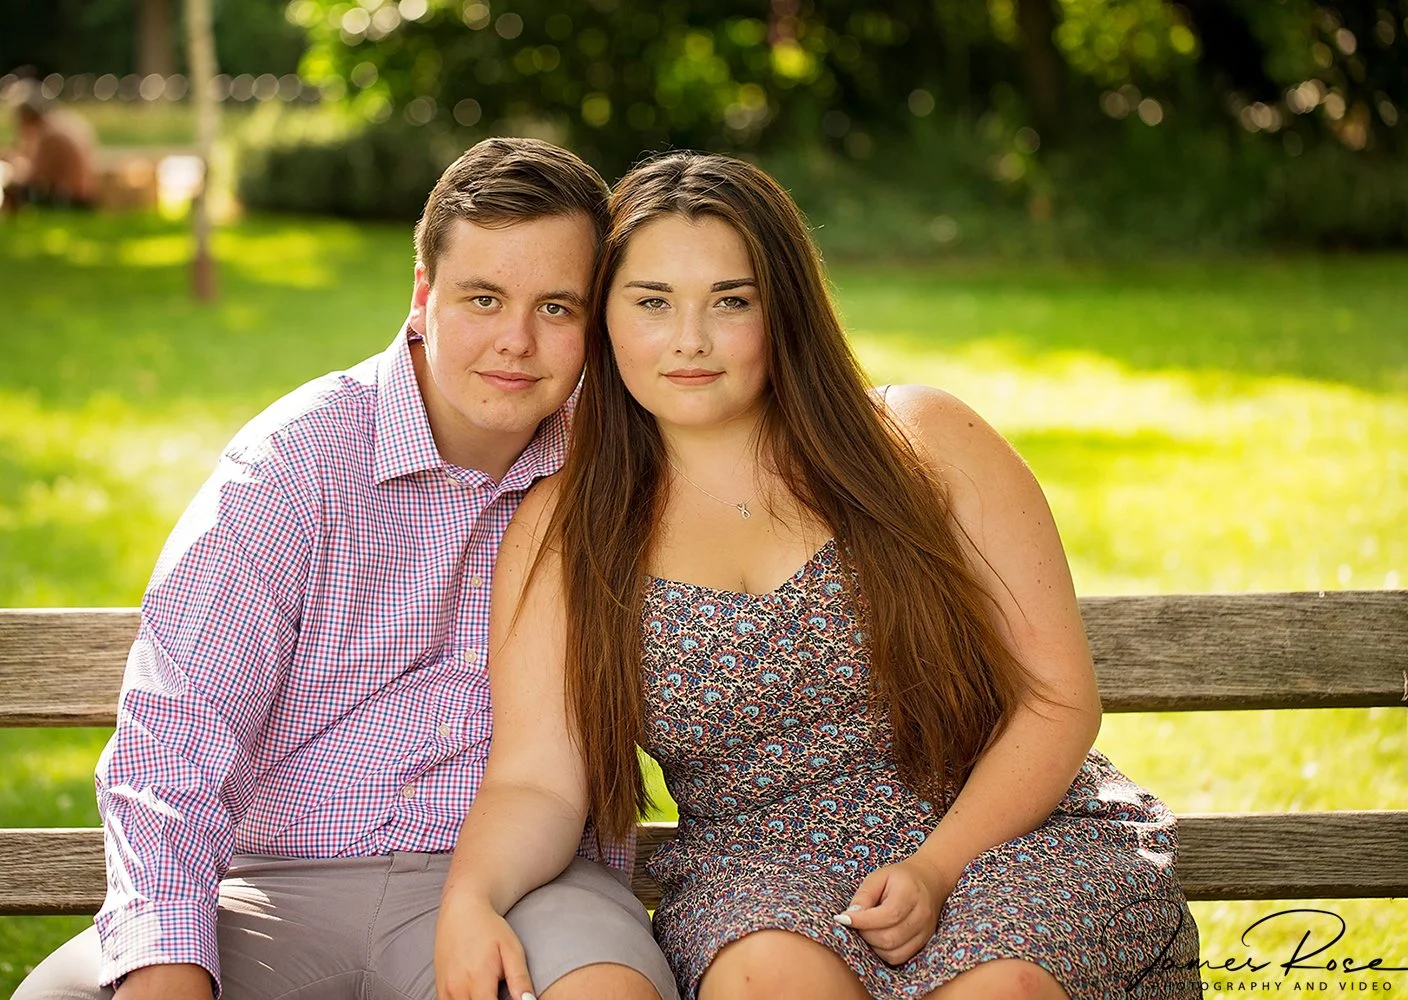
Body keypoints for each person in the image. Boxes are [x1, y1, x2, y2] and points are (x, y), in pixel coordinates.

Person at [435, 151, 1201, 1000]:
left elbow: (1057, 699)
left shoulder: (921, 444)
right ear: (605, 319)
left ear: (784, 310)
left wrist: (936, 867)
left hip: (1002, 835)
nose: (689, 339)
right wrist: (473, 898)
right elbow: (537, 777)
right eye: (652, 303)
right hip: (758, 874)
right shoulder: (568, 529)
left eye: (731, 301)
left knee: (1000, 989)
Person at [11, 137, 677, 1000]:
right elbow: (170, 749)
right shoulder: (293, 467)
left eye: (557, 307)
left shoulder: (619, 465)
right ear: (423, 295)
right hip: (271, 889)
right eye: (483, 298)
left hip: (525, 885)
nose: (516, 341)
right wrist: (166, 965)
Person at [0, 87, 99, 212]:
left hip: (72, 199)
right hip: (87, 195)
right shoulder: (62, 123)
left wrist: (10, 160)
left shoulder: (48, 135)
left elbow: (34, 176)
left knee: (12, 189)